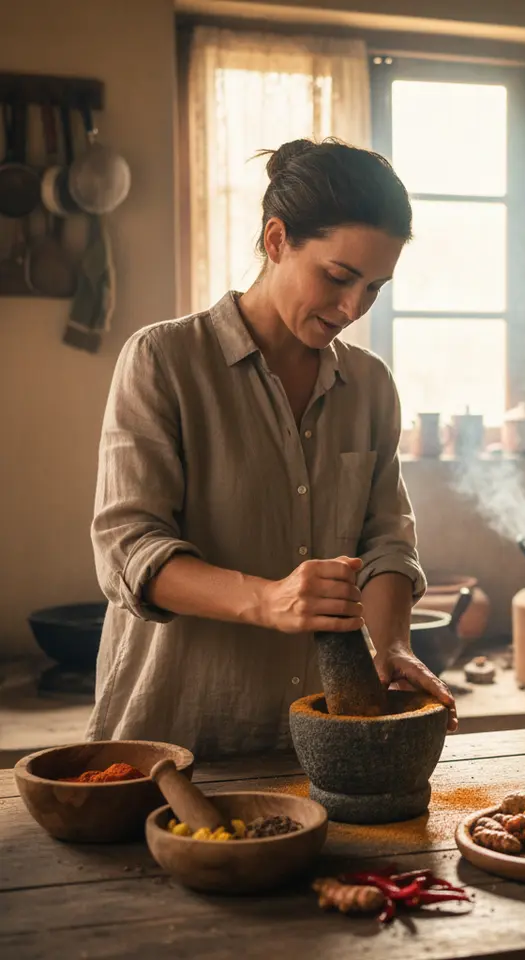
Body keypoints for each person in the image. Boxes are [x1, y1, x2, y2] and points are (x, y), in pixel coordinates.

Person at [88, 138, 456, 757]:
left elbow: (387, 540)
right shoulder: (163, 361)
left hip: (317, 746)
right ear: (277, 239)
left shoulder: (370, 386)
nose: (352, 308)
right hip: (172, 742)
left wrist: (391, 646)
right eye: (338, 277)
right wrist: (268, 598)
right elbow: (129, 548)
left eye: (375, 288)